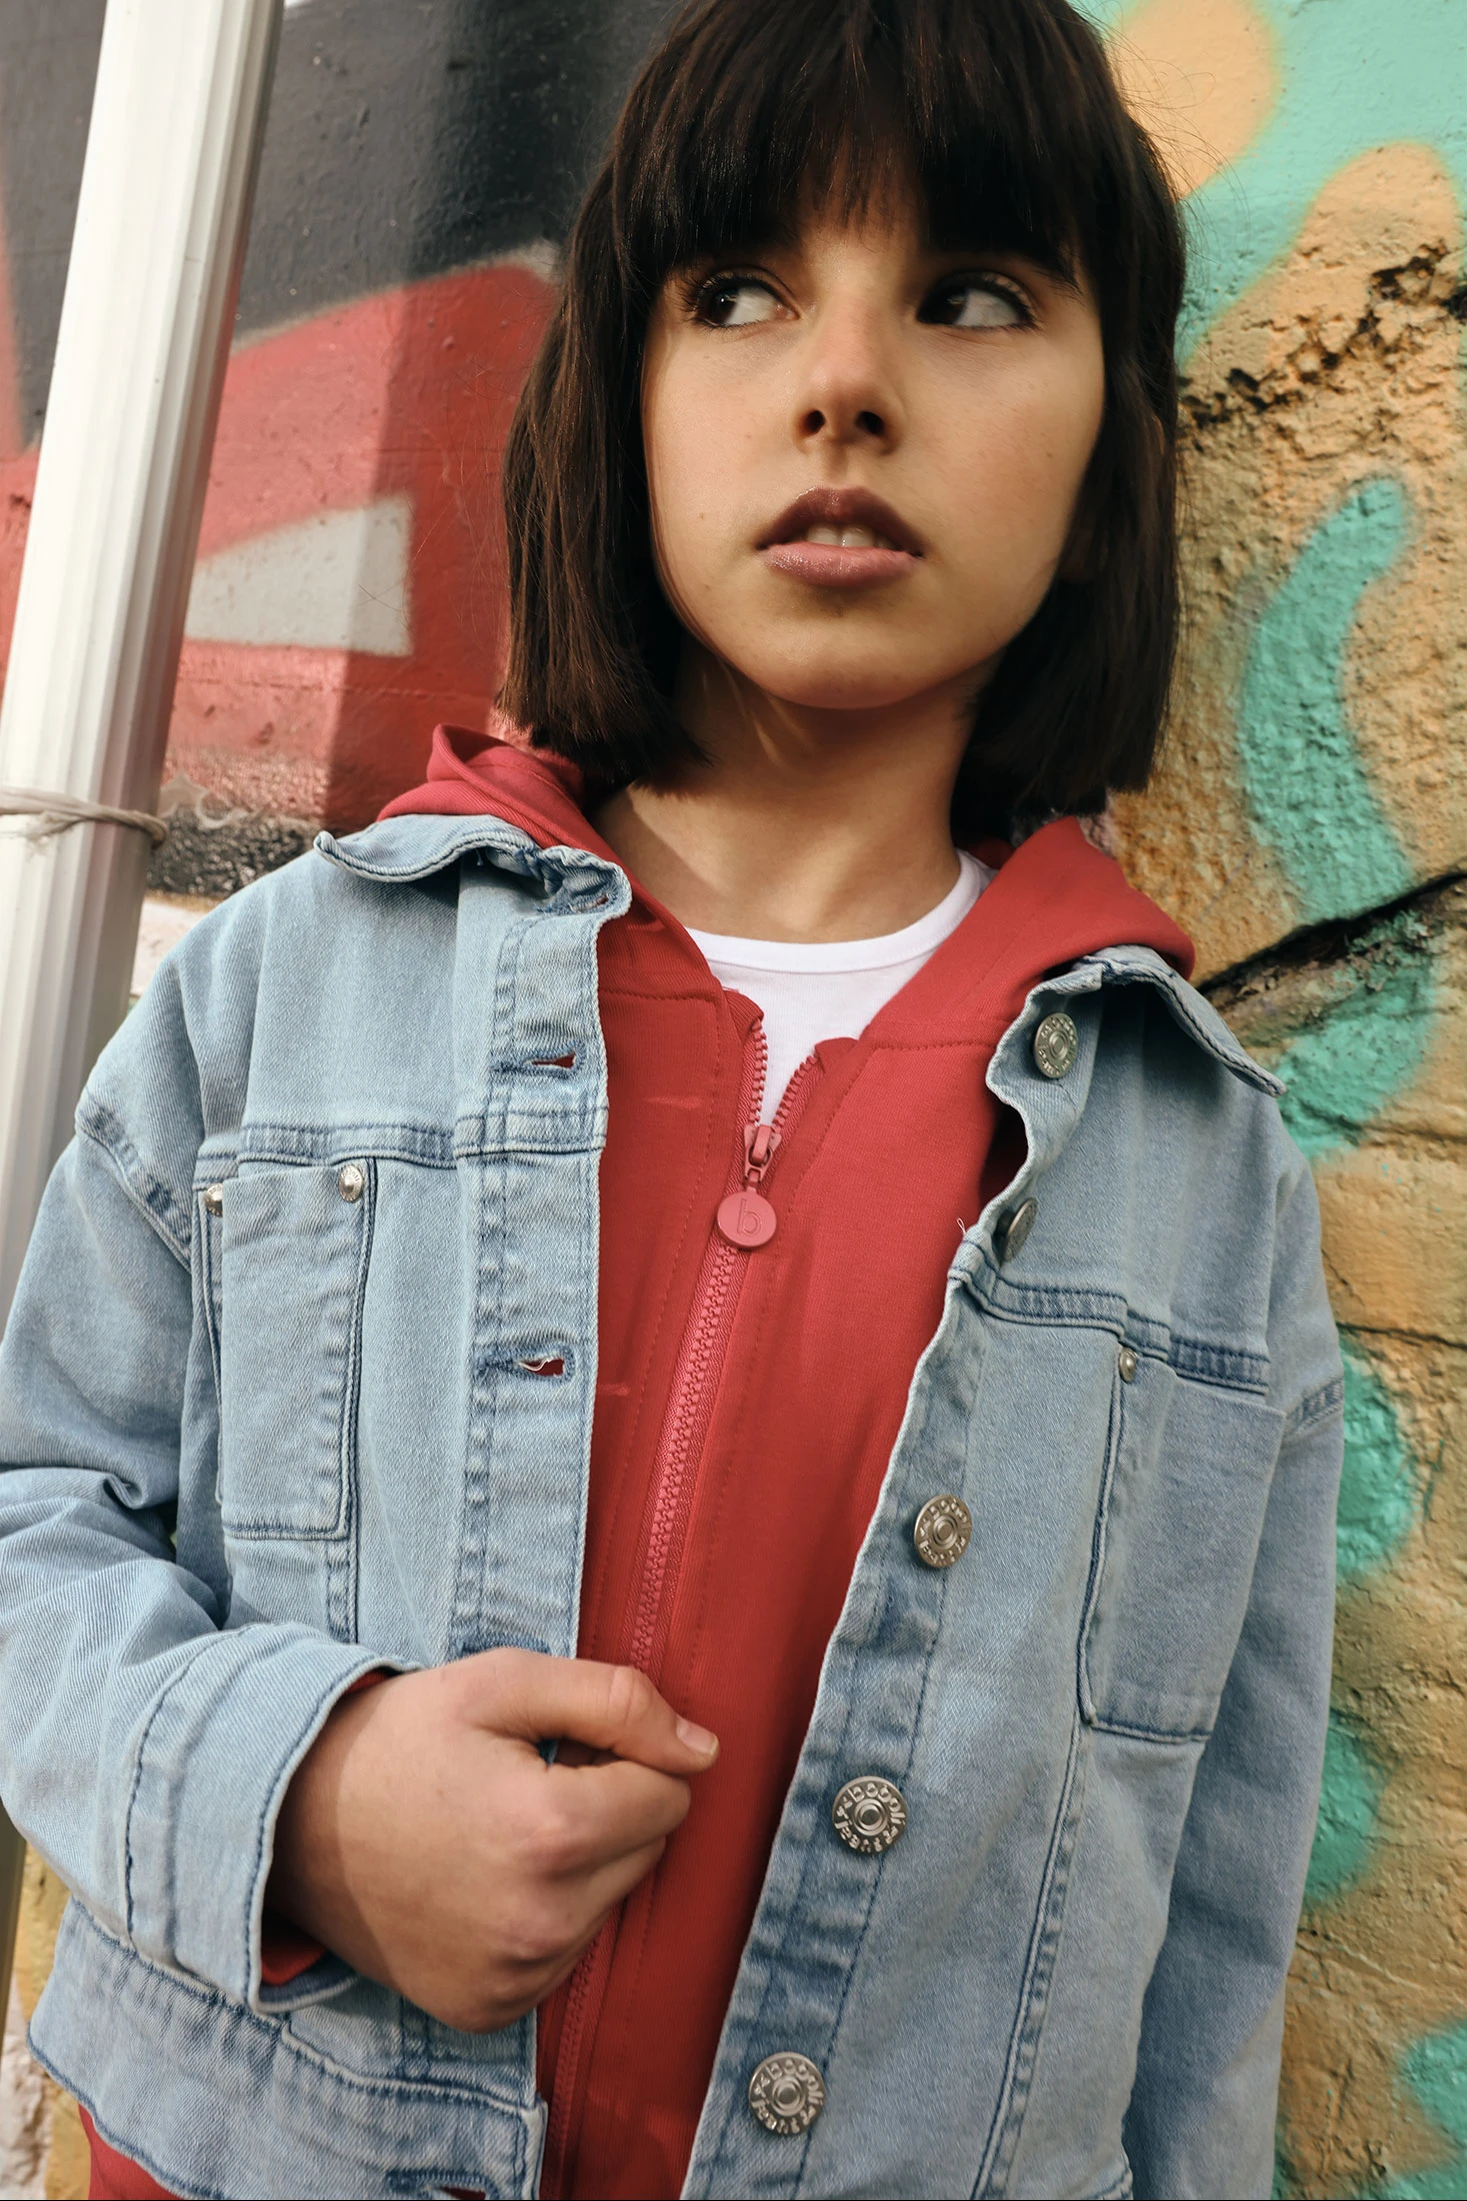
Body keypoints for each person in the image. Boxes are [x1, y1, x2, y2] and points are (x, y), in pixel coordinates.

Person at [0, 1, 1344, 2196]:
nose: (845, 381)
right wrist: (298, 1794)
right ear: (612, 398)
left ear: (1111, 444)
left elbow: (1211, 1904)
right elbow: (29, 1510)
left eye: (970, 295)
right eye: (736, 293)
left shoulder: (1202, 1178)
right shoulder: (290, 988)